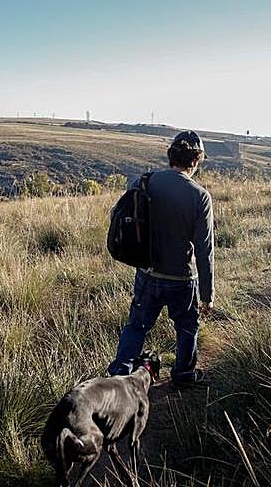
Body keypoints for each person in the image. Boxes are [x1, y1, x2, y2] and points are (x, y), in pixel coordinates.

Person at [108, 130, 215, 387]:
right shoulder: (200, 196)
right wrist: (207, 294)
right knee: (187, 327)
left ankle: (119, 377)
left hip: (148, 273)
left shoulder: (145, 181)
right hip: (182, 278)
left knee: (137, 326)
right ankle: (183, 375)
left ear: (170, 156)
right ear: (197, 160)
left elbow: (117, 214)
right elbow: (204, 250)